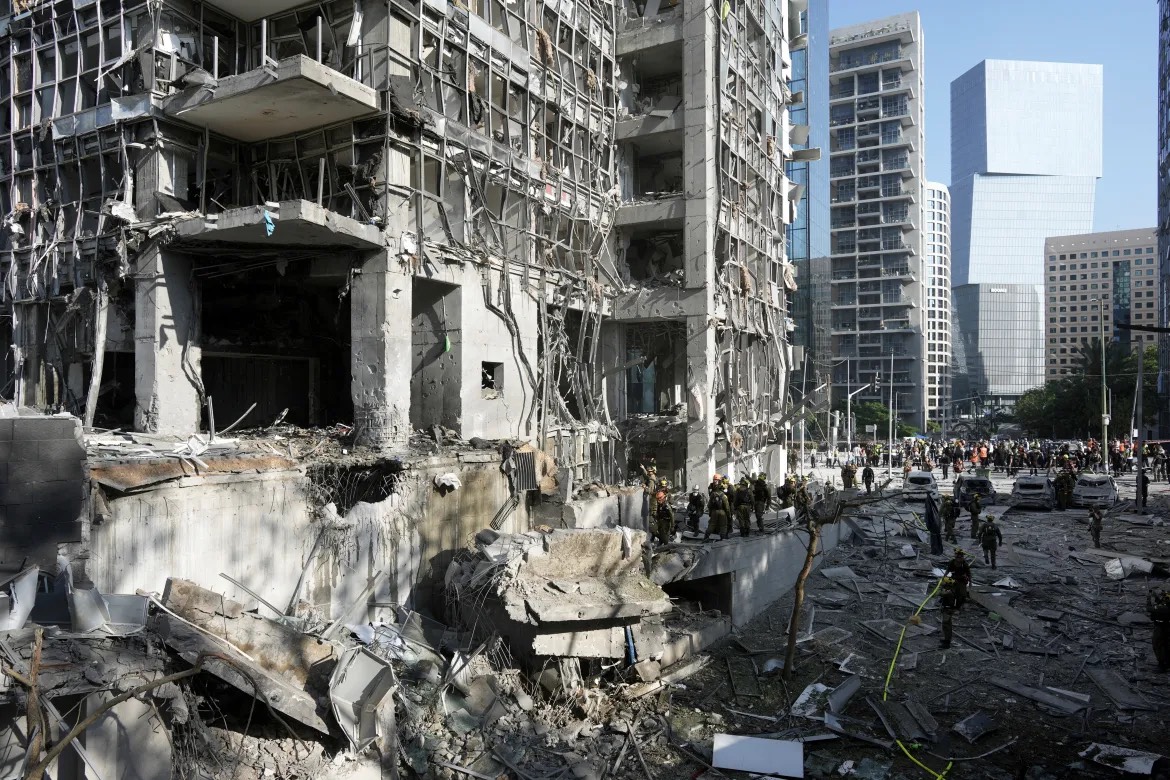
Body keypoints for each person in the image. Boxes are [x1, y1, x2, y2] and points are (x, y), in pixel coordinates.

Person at [1147, 586, 1170, 672]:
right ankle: (1166, 663)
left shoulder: (1163, 608)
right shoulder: (1166, 606)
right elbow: (1161, 602)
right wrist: (1156, 596)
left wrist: (1148, 598)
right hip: (1166, 626)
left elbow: (1149, 608)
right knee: (1166, 645)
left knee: (1158, 644)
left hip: (1162, 627)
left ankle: (1162, 665)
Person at [939, 576, 959, 648]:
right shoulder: (952, 590)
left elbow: (941, 593)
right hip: (948, 609)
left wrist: (940, 588)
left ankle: (946, 643)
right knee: (947, 625)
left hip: (948, 610)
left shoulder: (949, 592)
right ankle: (946, 640)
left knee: (946, 625)